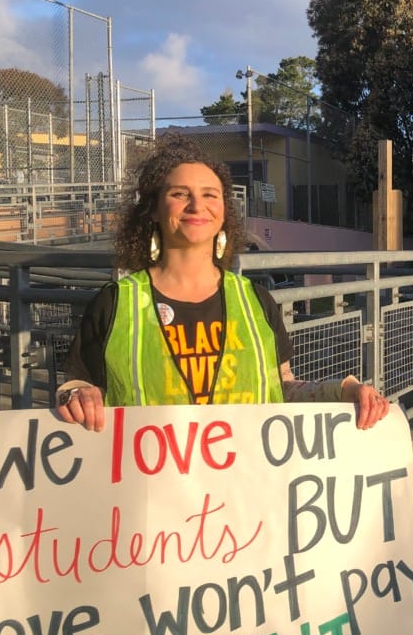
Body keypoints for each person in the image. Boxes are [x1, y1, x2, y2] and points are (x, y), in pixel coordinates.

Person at [56, 135, 389, 432]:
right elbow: (77, 386)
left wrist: (344, 391)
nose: (197, 205)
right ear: (154, 210)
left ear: (223, 212)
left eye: (210, 195)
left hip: (243, 479)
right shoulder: (115, 303)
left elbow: (282, 390)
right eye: (179, 193)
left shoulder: (256, 301)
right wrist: (75, 395)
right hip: (150, 479)